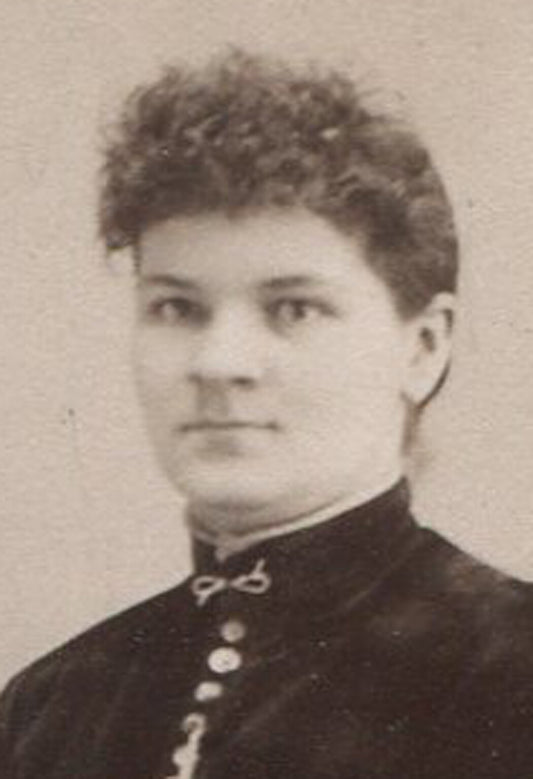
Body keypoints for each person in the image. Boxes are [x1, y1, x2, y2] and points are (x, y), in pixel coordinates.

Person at [0, 49, 532, 779]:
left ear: (423, 347)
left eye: (293, 308)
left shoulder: (509, 675)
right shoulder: (47, 707)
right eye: (176, 307)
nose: (219, 362)